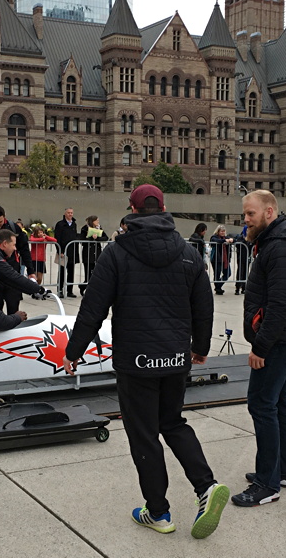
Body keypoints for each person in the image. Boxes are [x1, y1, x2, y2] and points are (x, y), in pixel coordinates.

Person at [63, 184, 229, 539]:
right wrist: (200, 346)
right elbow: (204, 304)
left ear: (132, 210)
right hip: (174, 356)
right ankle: (206, 486)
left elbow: (93, 308)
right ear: (164, 208)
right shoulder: (187, 252)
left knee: (143, 434)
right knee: (173, 423)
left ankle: (159, 512)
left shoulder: (117, 252)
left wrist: (73, 351)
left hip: (136, 360)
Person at [233, 190, 286, 507]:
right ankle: (283, 471)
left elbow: (280, 305)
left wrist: (261, 347)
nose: (246, 220)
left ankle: (268, 483)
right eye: (245, 214)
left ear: (269, 212)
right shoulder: (276, 243)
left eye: (250, 214)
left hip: (279, 341)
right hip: (285, 339)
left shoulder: (281, 249)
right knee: (278, 403)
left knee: (262, 404)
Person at [0, 228, 42, 312]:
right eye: (14, 245)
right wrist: (39, 290)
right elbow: (12, 276)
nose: (15, 249)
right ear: (4, 244)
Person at [78, 215, 108, 295]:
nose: (98, 222)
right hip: (88, 254)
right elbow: (82, 240)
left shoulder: (99, 228)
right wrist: (91, 237)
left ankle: (94, 290)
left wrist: (97, 238)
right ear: (92, 221)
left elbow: (106, 237)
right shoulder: (84, 229)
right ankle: (83, 286)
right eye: (96, 220)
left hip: (97, 253)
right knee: (88, 274)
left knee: (97, 273)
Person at [54, 207, 80, 297]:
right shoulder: (60, 224)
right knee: (61, 271)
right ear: (65, 213)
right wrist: (59, 250)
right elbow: (57, 238)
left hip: (72, 251)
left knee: (71, 271)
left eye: (71, 213)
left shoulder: (74, 224)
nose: (70, 214)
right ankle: (60, 290)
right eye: (68, 213)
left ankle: (70, 290)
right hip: (63, 251)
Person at [209, 225, 233, 295]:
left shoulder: (226, 237)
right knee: (217, 274)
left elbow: (233, 239)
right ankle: (218, 289)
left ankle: (218, 286)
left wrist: (231, 240)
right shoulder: (214, 237)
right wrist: (225, 240)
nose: (223, 233)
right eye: (221, 231)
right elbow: (215, 241)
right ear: (218, 231)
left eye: (224, 231)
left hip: (225, 259)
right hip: (216, 259)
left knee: (228, 273)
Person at [233, 225, 249, 295]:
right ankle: (237, 288)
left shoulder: (251, 237)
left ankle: (244, 288)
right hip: (241, 257)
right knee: (240, 272)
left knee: (246, 272)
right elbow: (237, 245)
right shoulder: (241, 237)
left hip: (247, 257)